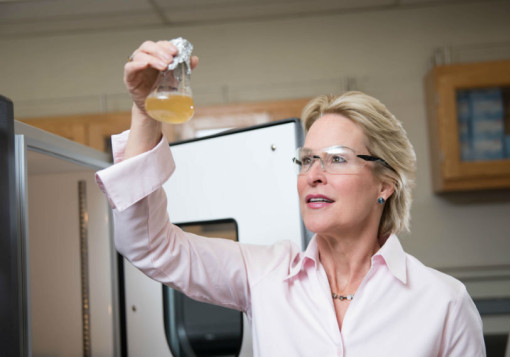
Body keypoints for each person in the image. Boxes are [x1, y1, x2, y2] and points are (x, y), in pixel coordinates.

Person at [96, 40, 486, 356]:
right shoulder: (265, 275)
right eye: (307, 160)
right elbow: (149, 246)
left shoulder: (443, 303)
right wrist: (145, 111)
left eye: (336, 159)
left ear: (385, 184)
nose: (314, 175)